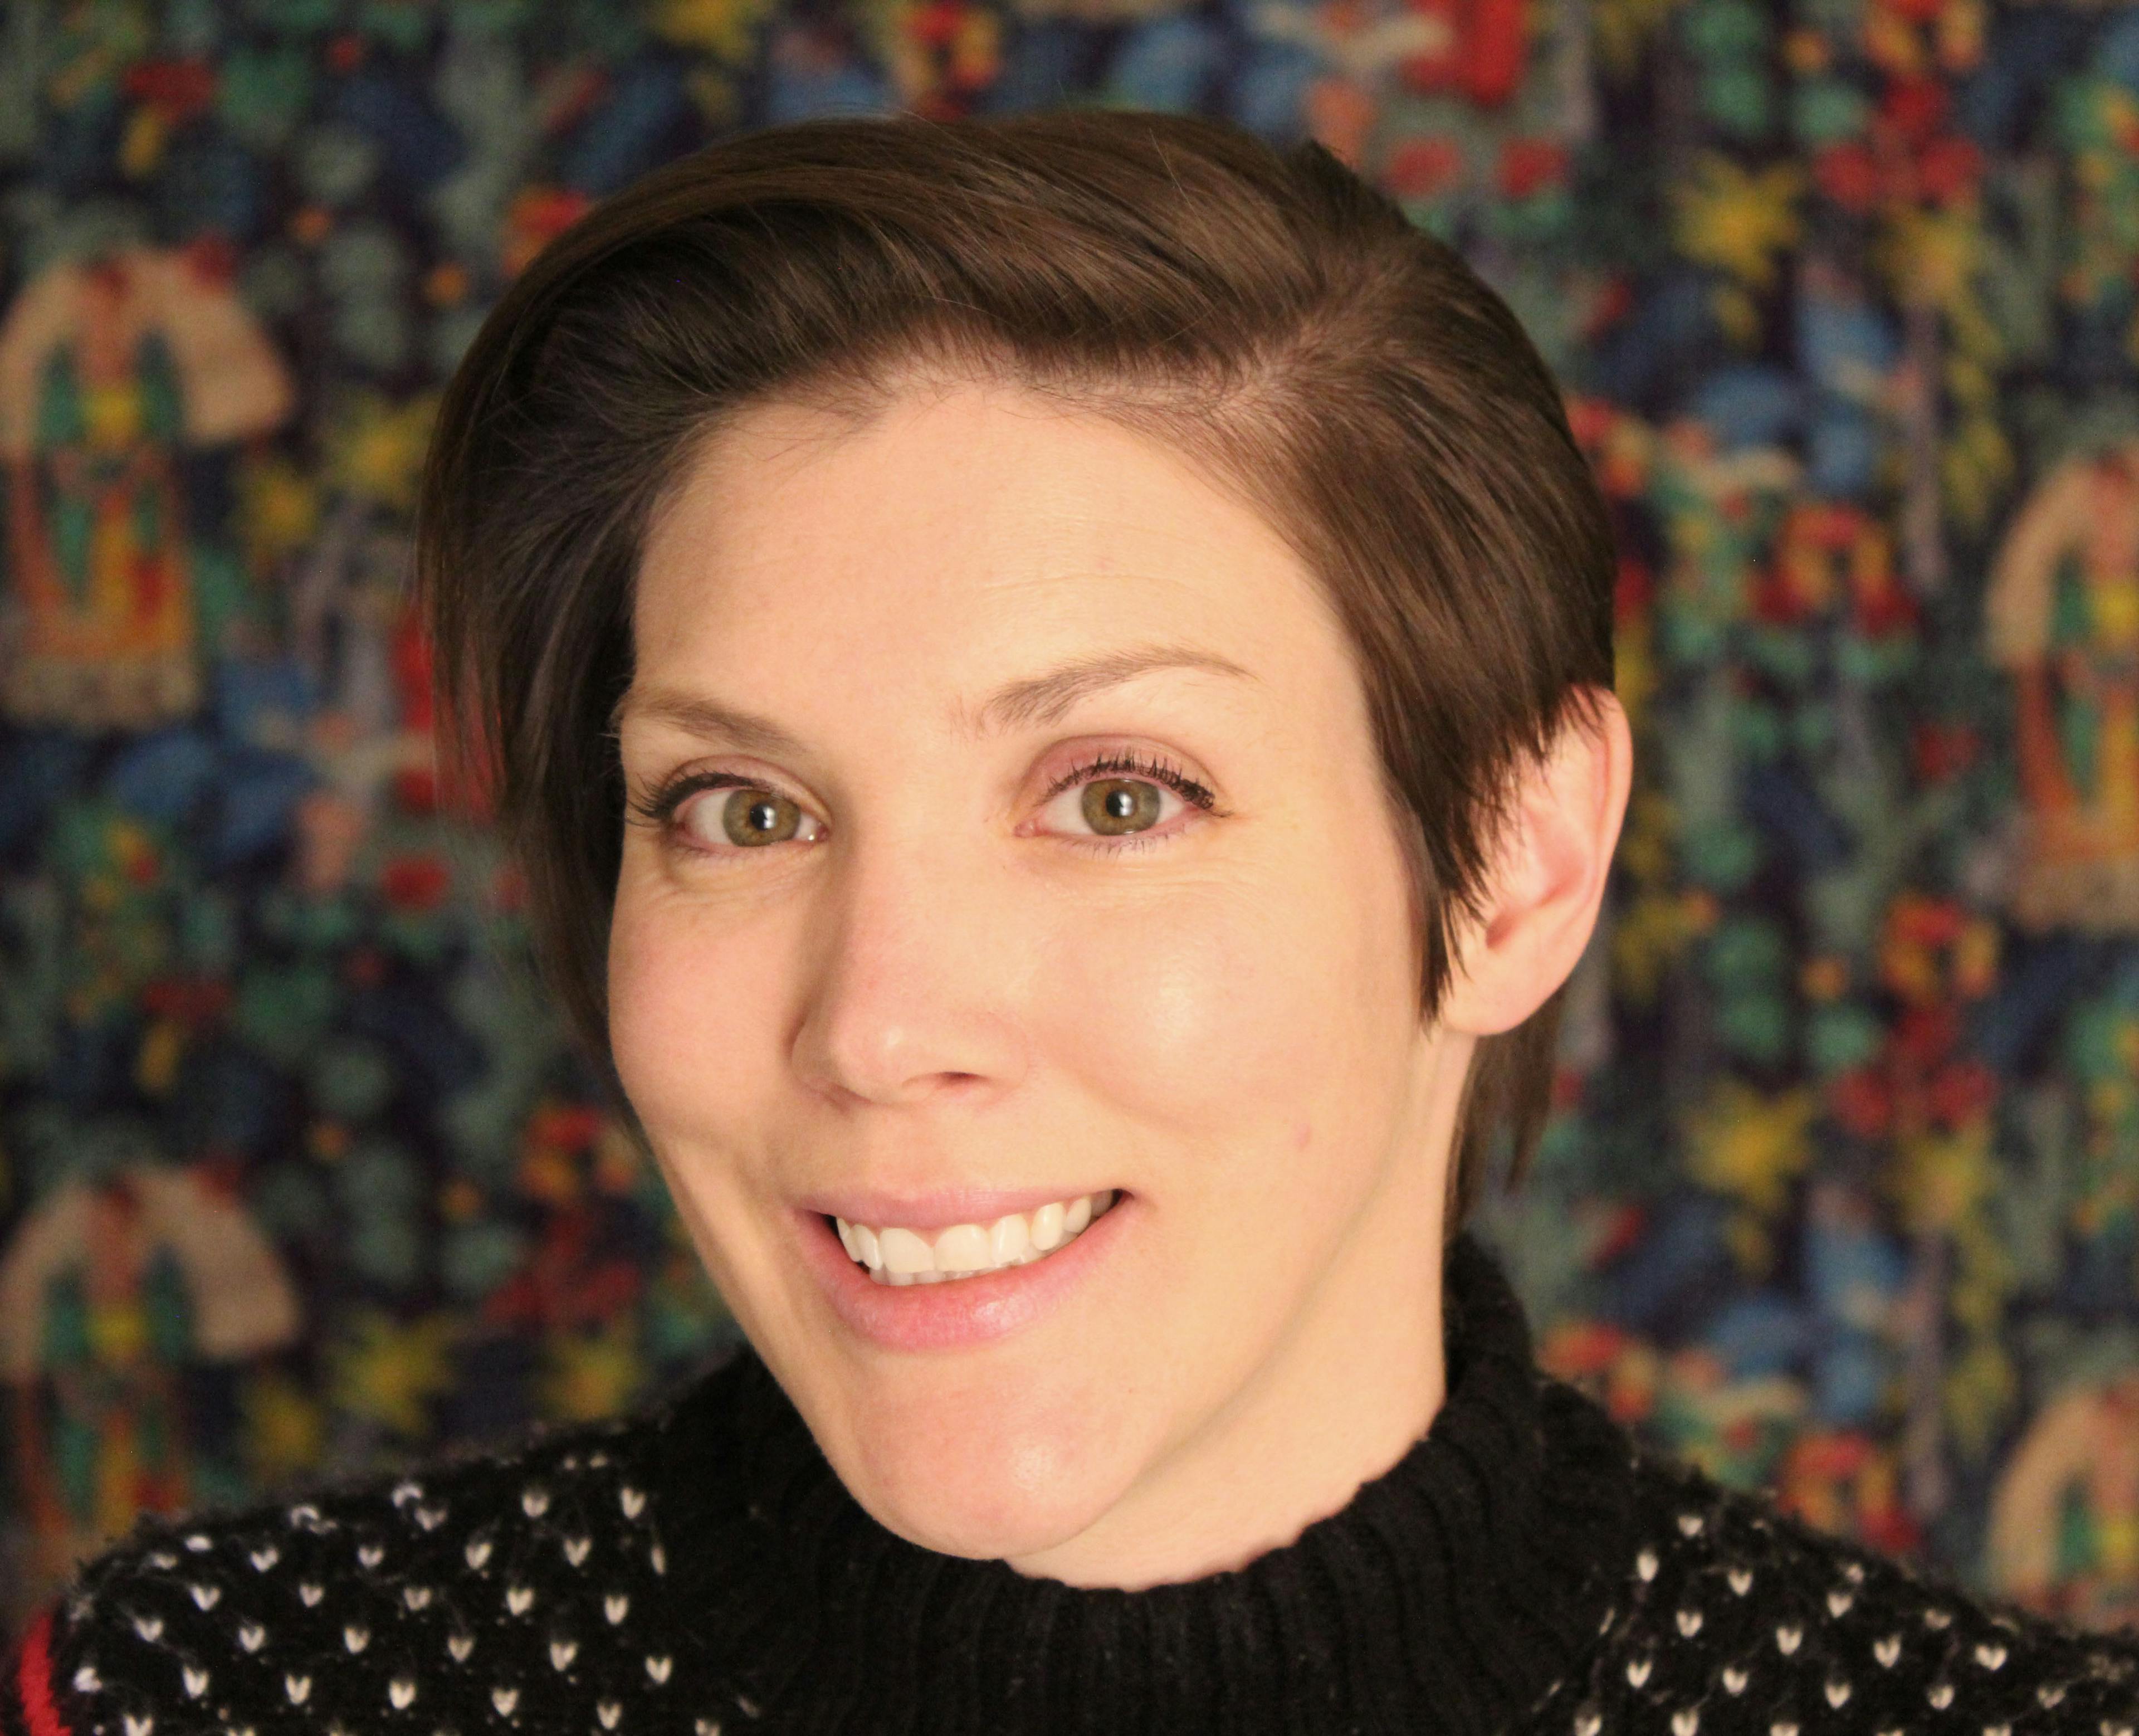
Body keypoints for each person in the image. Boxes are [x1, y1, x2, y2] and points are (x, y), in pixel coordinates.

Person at [5, 109, 2135, 1736]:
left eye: (1120, 794)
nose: (881, 1021)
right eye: (740, 808)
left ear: (1516, 865)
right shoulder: (198, 1694)